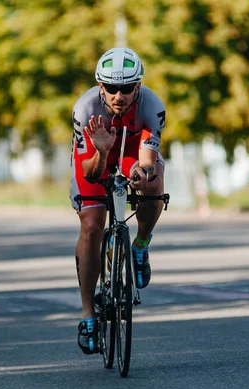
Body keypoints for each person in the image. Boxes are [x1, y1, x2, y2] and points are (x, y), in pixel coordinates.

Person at [69, 47, 166, 354]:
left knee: (155, 185)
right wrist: (100, 150)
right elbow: (89, 171)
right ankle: (88, 317)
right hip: (94, 157)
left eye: (127, 88)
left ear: (138, 86)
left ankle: (140, 246)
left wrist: (142, 172)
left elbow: (148, 160)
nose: (118, 95)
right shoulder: (84, 109)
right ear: (101, 87)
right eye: (111, 88)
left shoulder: (152, 106)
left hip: (132, 154)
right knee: (92, 226)